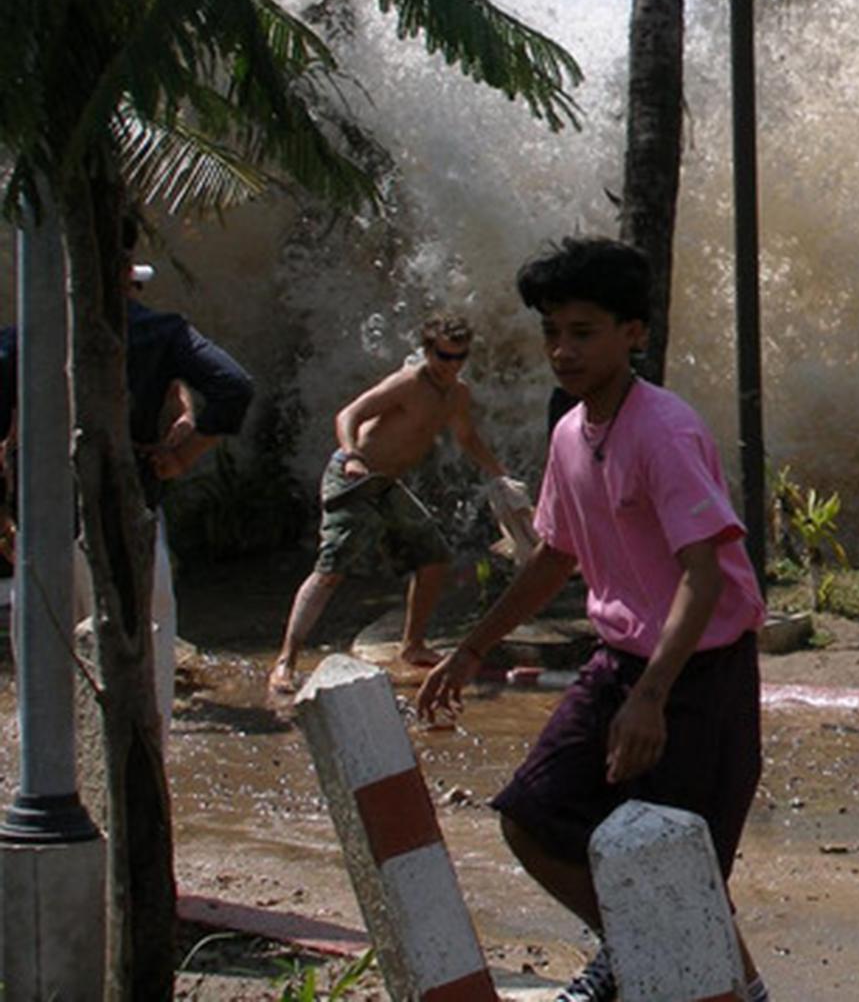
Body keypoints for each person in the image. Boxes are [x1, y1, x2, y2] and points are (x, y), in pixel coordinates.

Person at [417, 238, 769, 1002]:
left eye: (583, 332)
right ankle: (630, 947)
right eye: (551, 332)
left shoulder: (664, 431)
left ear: (632, 333)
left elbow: (703, 578)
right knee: (532, 817)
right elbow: (553, 557)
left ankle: (736, 989)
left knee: (682, 867)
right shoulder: (572, 433)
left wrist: (653, 697)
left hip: (696, 672)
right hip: (620, 664)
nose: (562, 350)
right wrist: (471, 649)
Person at [2, 237, 254, 738]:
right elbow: (234, 386)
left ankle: (51, 771)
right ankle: (142, 763)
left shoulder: (21, 339)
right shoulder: (161, 332)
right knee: (144, 639)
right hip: (128, 504)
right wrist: (183, 455)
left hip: (42, 510)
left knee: (47, 647)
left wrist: (2, 519)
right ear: (121, 277)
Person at [269, 312, 515, 692]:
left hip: (387, 485)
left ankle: (413, 645)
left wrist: (499, 474)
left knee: (434, 558)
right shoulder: (408, 383)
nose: (452, 365)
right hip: (353, 479)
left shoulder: (457, 394)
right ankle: (285, 661)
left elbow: (467, 438)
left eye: (460, 357)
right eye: (444, 356)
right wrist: (352, 455)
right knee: (331, 569)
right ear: (427, 350)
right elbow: (349, 414)